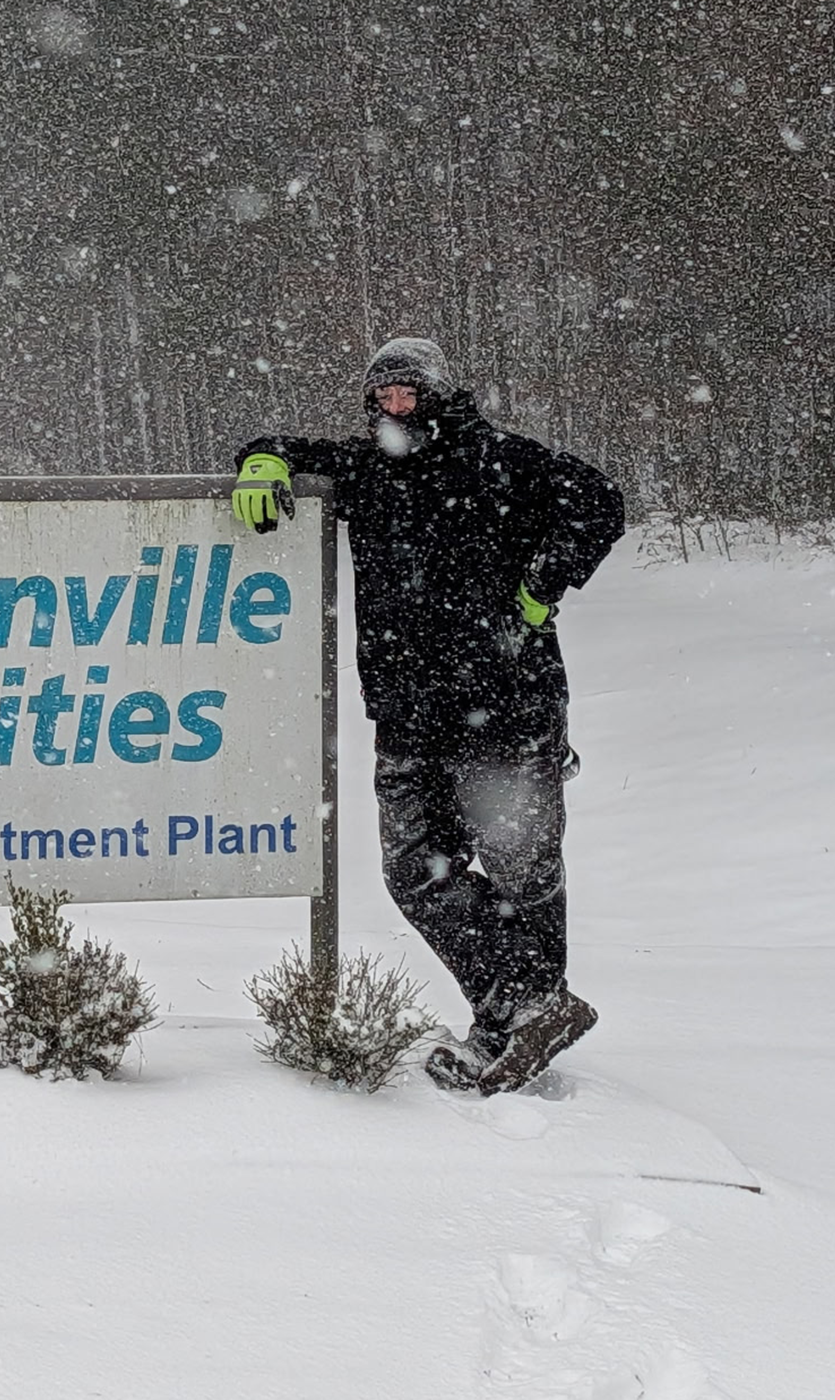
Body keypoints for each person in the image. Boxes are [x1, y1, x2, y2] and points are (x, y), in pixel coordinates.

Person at [230, 337, 625, 1094]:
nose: (395, 407)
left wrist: (543, 586)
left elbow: (598, 502)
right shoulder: (369, 471)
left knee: (522, 873)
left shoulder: (502, 461)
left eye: (408, 393)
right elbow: (281, 448)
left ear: (439, 393)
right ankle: (527, 1006)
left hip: (508, 707)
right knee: (415, 873)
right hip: (410, 716)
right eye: (382, 396)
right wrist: (262, 461)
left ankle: (511, 1022)